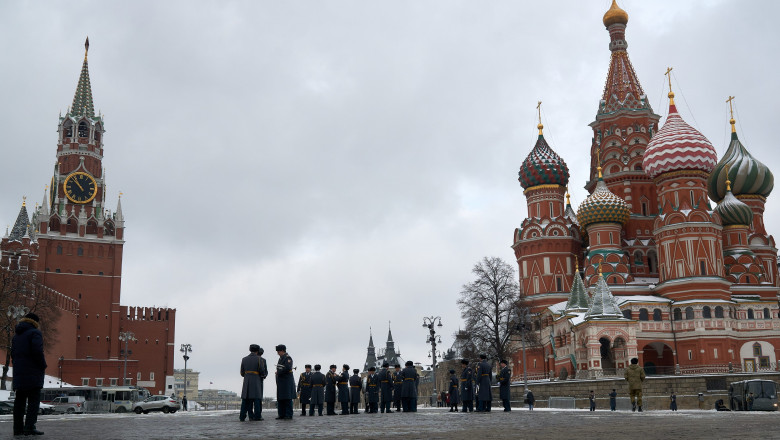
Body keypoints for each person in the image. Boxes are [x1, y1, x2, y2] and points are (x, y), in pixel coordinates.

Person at [11, 312, 47, 436]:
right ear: (35, 322)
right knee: (33, 402)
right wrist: (43, 365)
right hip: (33, 373)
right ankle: (29, 427)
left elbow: (13, 354)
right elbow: (37, 351)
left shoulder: (16, 336)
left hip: (19, 373)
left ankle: (17, 428)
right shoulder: (35, 333)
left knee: (19, 402)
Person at [240, 344, 267, 421]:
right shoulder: (259, 359)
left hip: (247, 380)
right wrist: (262, 375)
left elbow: (242, 373)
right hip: (256, 380)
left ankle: (242, 416)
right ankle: (257, 416)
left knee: (245, 400)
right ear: (257, 351)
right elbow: (262, 371)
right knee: (257, 399)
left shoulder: (244, 359)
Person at [274, 344, 295, 420]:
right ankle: (281, 414)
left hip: (286, 381)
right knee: (281, 398)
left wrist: (279, 372)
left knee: (287, 398)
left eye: (278, 351)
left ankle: (288, 414)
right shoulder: (281, 358)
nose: (277, 353)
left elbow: (287, 368)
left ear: (282, 351)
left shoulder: (287, 358)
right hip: (281, 381)